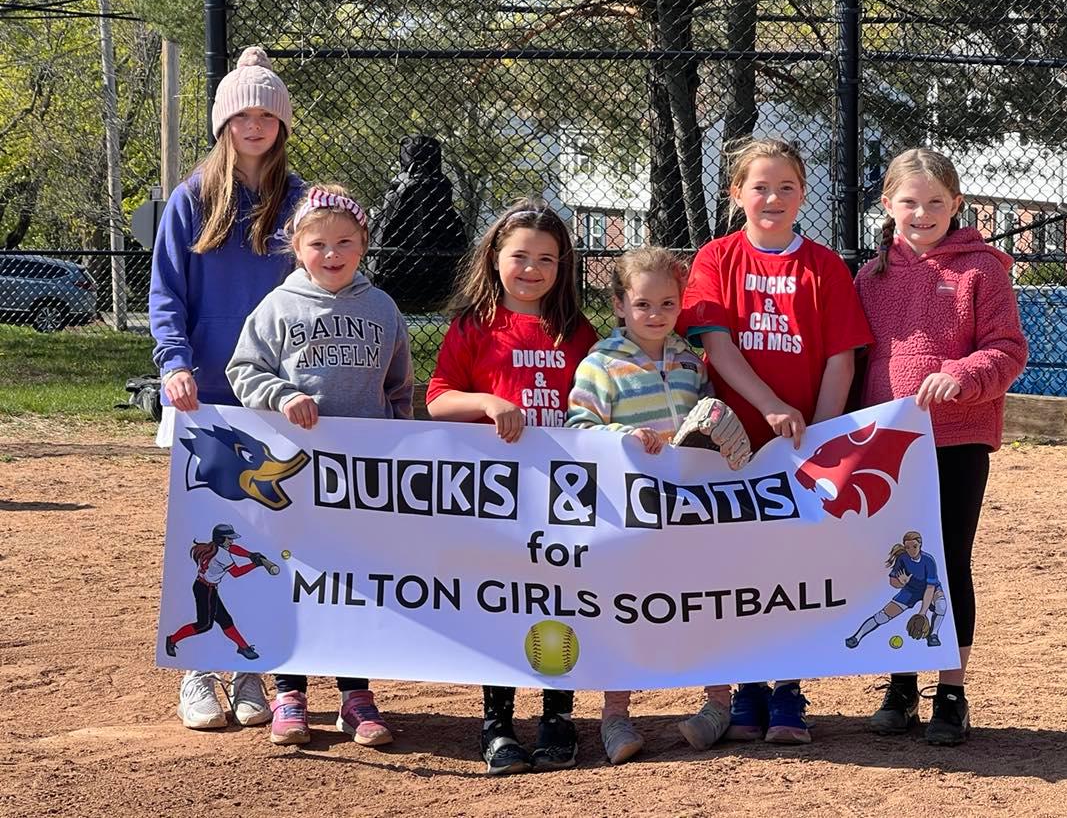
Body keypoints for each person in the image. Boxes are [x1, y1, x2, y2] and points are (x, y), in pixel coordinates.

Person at [679, 137, 873, 744]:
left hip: (800, 443)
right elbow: (718, 346)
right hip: (729, 445)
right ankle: (747, 688)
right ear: (737, 194)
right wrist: (769, 407)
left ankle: (788, 690)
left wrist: (815, 437)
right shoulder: (717, 258)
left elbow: (841, 359)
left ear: (803, 195)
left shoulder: (824, 267)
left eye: (786, 187)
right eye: (760, 186)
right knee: (735, 566)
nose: (773, 198)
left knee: (792, 566)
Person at [149, 45, 304, 732]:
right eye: (240, 111)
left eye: (265, 112)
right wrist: (173, 361)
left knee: (266, 536)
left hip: (273, 398)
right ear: (221, 123)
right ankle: (198, 675)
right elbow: (166, 294)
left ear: (281, 125)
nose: (252, 123)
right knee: (199, 537)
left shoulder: (300, 203)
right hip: (202, 398)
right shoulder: (191, 200)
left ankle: (251, 672)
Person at [226, 183, 413, 747]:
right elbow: (242, 370)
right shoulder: (279, 307)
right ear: (295, 246)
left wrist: (392, 446)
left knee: (352, 583)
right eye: (318, 244)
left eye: (345, 243)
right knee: (297, 579)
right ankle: (290, 693)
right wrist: (282, 396)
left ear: (363, 244)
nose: (332, 255)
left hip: (359, 482)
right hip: (293, 478)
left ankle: (356, 697)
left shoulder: (382, 308)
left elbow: (400, 387)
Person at [854, 147, 1027, 745]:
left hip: (957, 437)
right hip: (888, 443)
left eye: (935, 202)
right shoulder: (870, 275)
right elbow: (858, 358)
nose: (922, 212)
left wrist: (964, 375)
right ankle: (900, 683)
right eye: (909, 201)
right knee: (896, 562)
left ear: (956, 204)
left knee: (947, 560)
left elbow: (1007, 348)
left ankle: (951, 692)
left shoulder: (984, 269)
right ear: (888, 205)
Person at [426, 198, 597, 775]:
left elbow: (600, 400)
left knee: (560, 600)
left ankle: (557, 717)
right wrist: (487, 401)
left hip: (563, 494)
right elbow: (437, 400)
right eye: (519, 255)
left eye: (546, 259)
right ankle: (497, 722)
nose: (532, 269)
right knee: (500, 601)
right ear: (494, 257)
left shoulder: (577, 332)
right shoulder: (474, 325)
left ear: (562, 266)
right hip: (495, 493)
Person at [566, 246, 744, 765]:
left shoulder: (691, 361)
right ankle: (616, 716)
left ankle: (716, 706)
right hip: (631, 516)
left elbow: (708, 418)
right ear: (620, 304)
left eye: (668, 303)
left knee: (704, 601)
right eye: (643, 304)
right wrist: (625, 435)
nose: (656, 314)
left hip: (690, 512)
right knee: (626, 608)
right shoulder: (600, 365)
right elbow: (579, 429)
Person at [164, 524, 268, 660]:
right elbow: (236, 573)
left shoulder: (212, 546)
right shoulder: (223, 555)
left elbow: (233, 548)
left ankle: (243, 647)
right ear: (220, 539)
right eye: (228, 538)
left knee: (225, 620)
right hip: (205, 590)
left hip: (206, 587)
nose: (231, 541)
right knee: (204, 625)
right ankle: (172, 640)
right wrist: (255, 564)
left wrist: (250, 555)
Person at [845, 531, 947, 650]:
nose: (911, 550)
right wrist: (902, 583)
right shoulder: (902, 559)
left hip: (930, 588)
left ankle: (933, 635)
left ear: (920, 545)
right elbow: (893, 582)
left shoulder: (928, 560)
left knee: (941, 605)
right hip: (911, 590)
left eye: (914, 546)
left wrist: (922, 613)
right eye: (907, 547)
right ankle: (857, 637)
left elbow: (930, 587)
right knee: (882, 616)